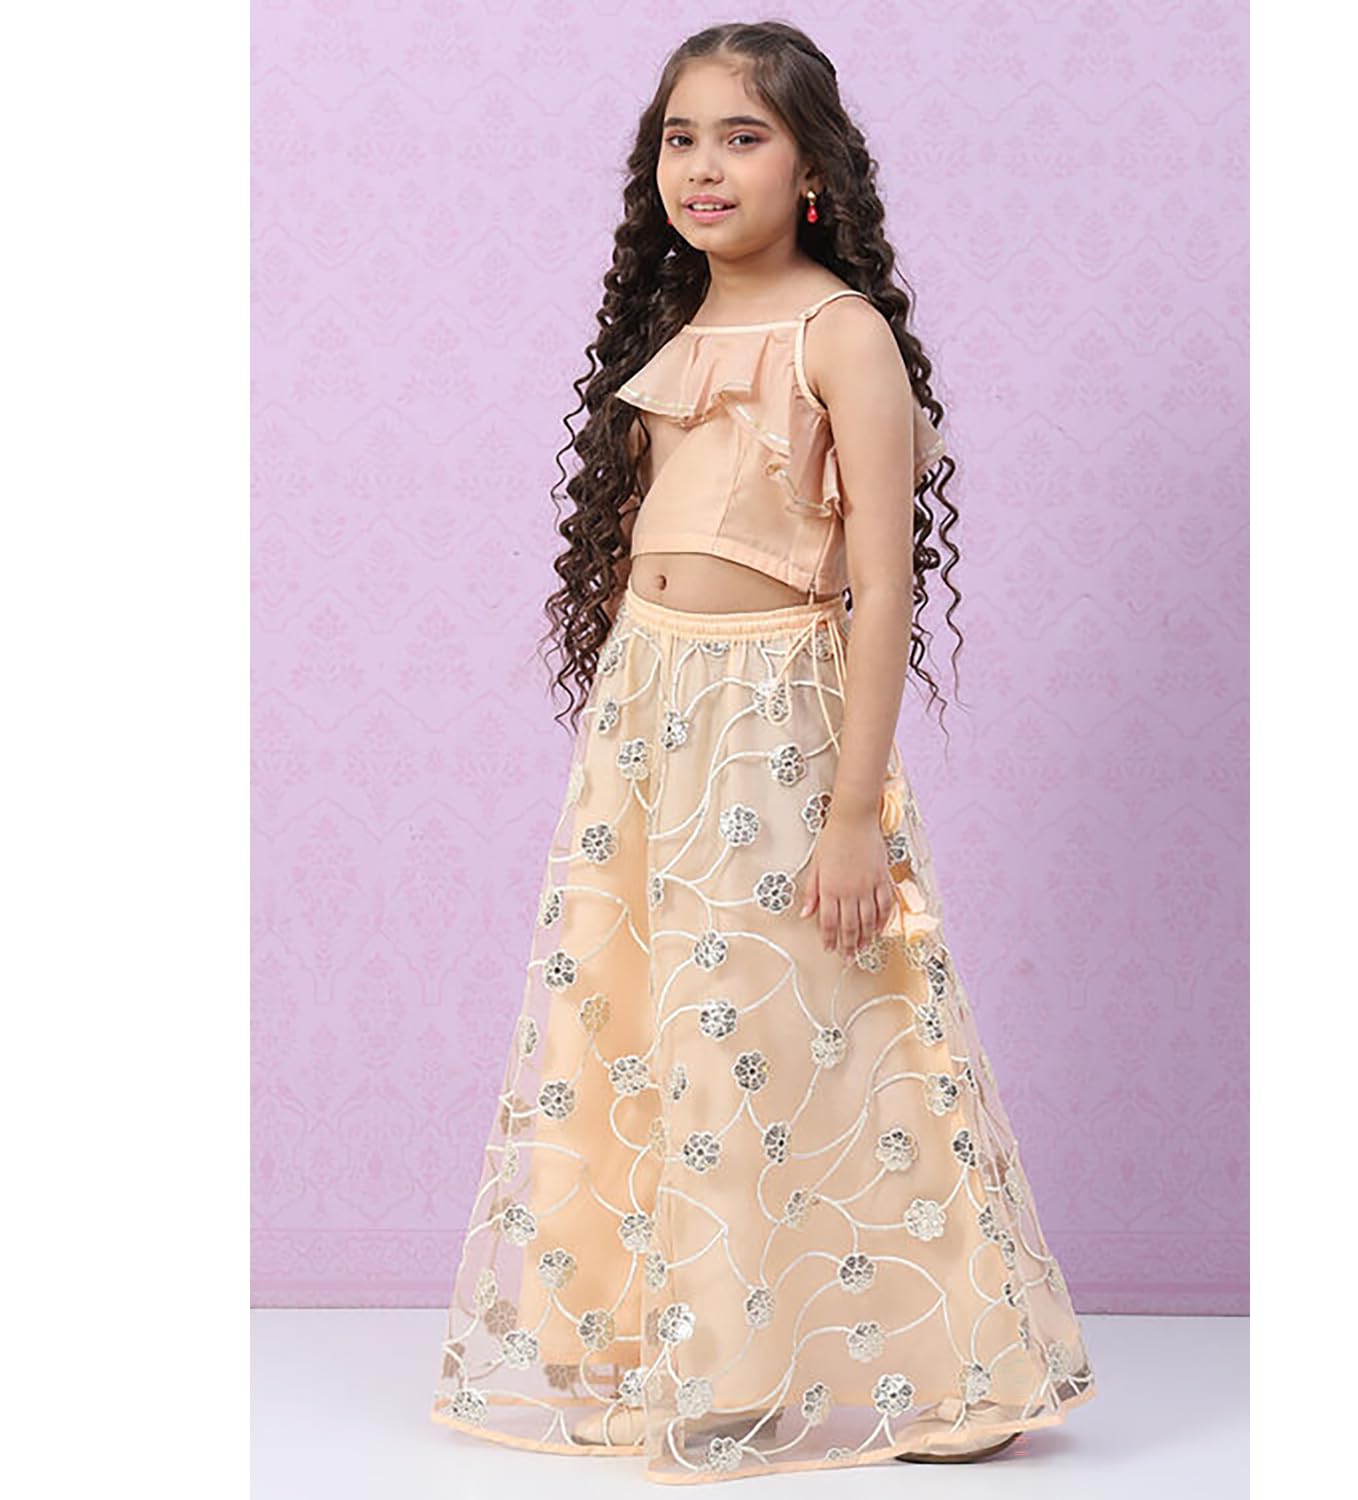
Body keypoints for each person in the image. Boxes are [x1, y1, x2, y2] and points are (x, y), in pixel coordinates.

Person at [429, 19, 1097, 1483]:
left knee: (817, 1017)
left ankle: (960, 1361)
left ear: (811, 170)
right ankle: (693, 1352)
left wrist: (855, 812)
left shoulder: (838, 333)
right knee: (652, 1018)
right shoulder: (672, 332)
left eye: (743, 136)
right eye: (682, 137)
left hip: (775, 725)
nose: (705, 165)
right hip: (650, 713)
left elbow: (882, 591)